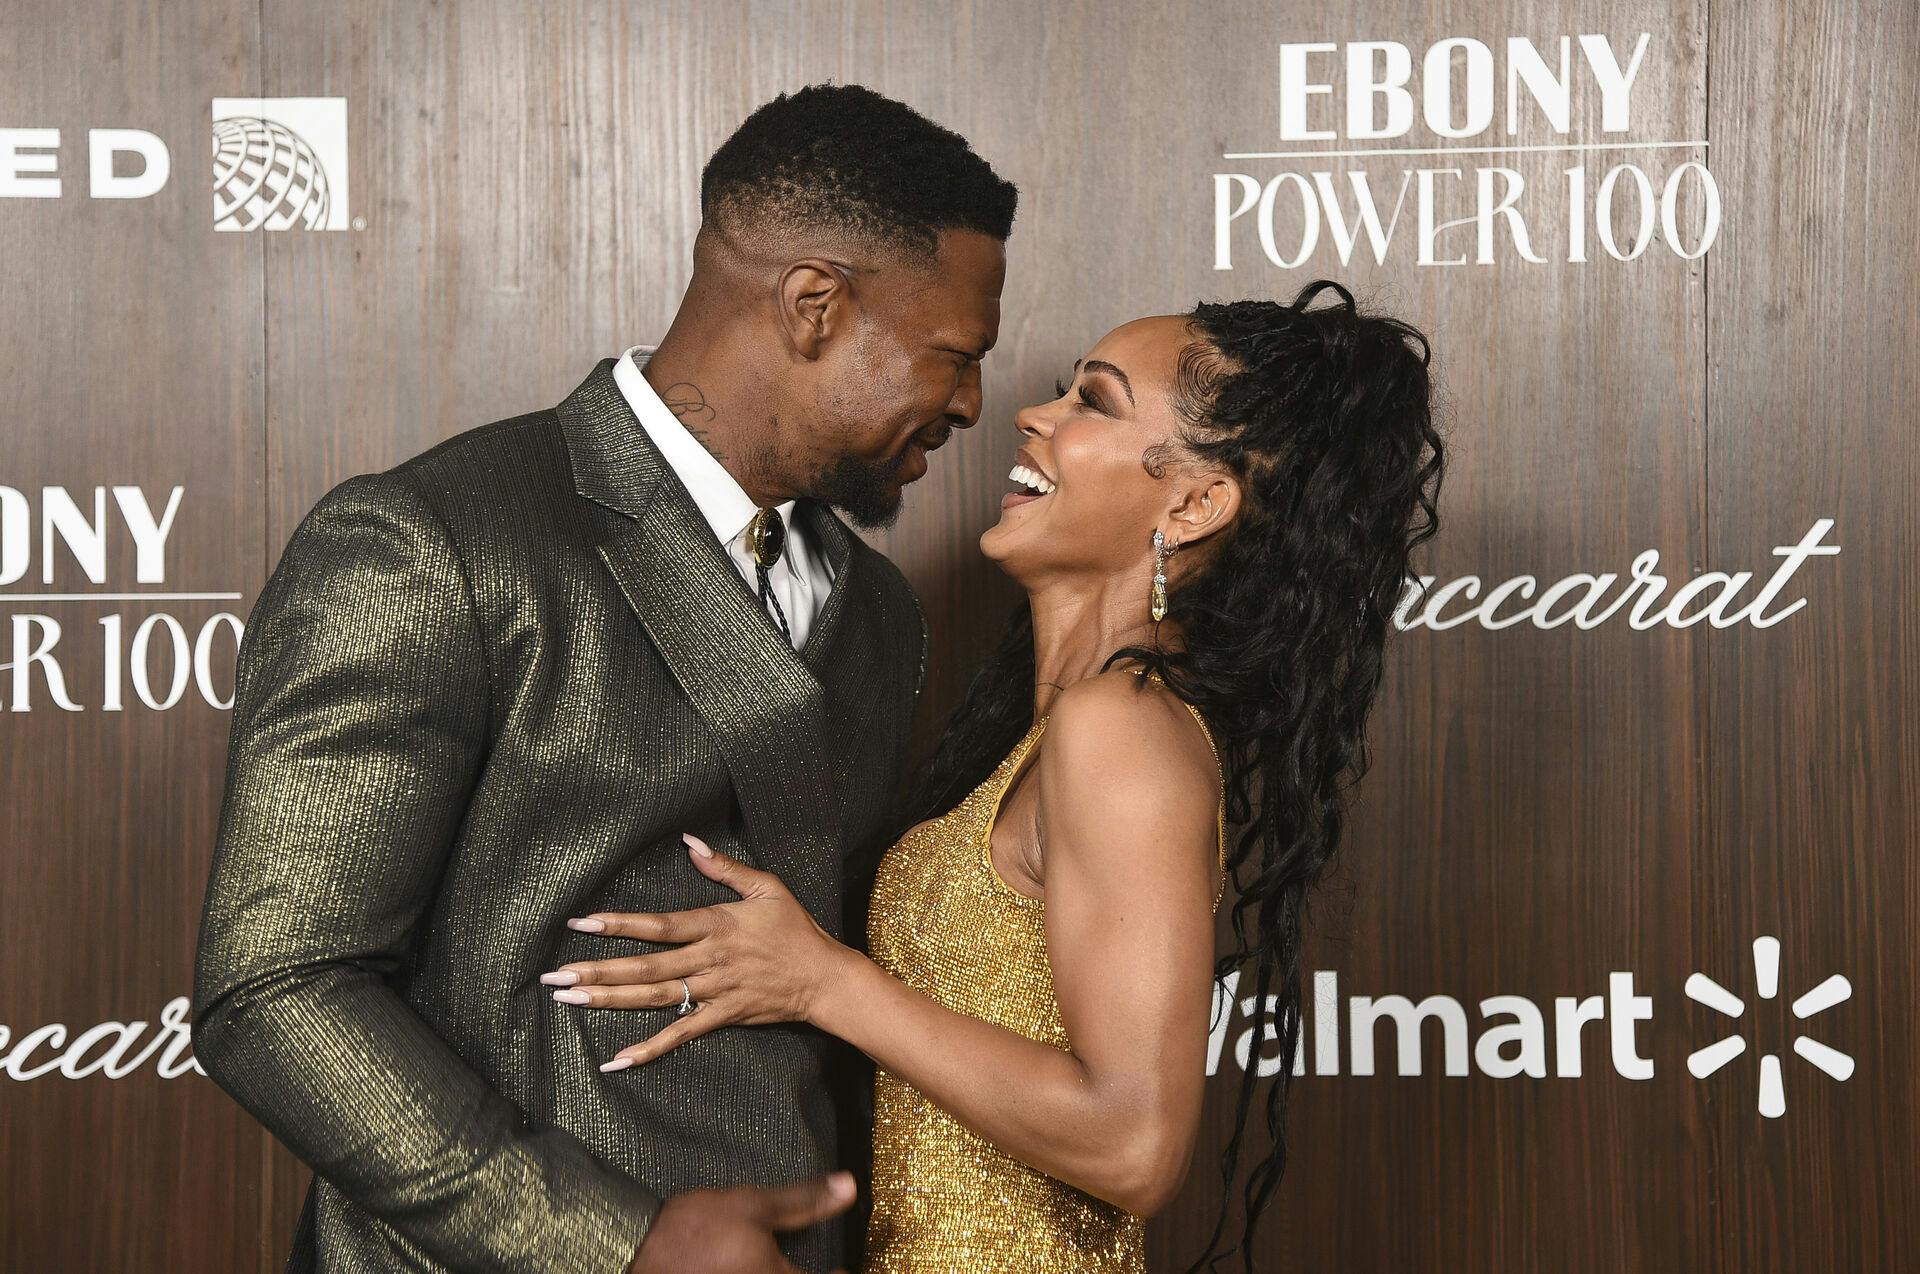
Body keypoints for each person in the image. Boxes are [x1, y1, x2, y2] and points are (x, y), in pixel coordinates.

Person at [191, 84, 1014, 1274]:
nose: (973, 404)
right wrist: (615, 1239)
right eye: (953, 356)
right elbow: (275, 984)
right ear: (814, 304)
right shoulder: (433, 539)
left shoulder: (878, 611)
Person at [539, 280, 1446, 1272]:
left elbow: (1135, 1143)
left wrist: (821, 978)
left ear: (1194, 502)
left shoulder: (1123, 728)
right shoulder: (1060, 727)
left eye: (1094, 400)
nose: (1033, 412)